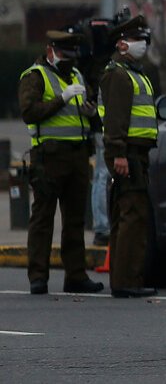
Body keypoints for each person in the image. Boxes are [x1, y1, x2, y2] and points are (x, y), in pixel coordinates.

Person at [18, 28, 104, 295]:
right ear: (50, 51)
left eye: (71, 55)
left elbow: (89, 114)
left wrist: (91, 114)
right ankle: (38, 276)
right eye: (64, 54)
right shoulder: (35, 76)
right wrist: (62, 98)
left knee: (76, 219)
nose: (68, 60)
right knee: (43, 217)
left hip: (77, 156)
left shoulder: (77, 74)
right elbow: (30, 112)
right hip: (48, 157)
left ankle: (76, 275)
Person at [98, 15, 158, 298]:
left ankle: (128, 278)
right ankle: (125, 281)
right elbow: (115, 120)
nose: (142, 45)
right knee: (131, 216)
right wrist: (118, 153)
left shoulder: (133, 73)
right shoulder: (118, 74)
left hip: (136, 153)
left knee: (133, 216)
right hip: (128, 153)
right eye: (137, 40)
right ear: (122, 44)